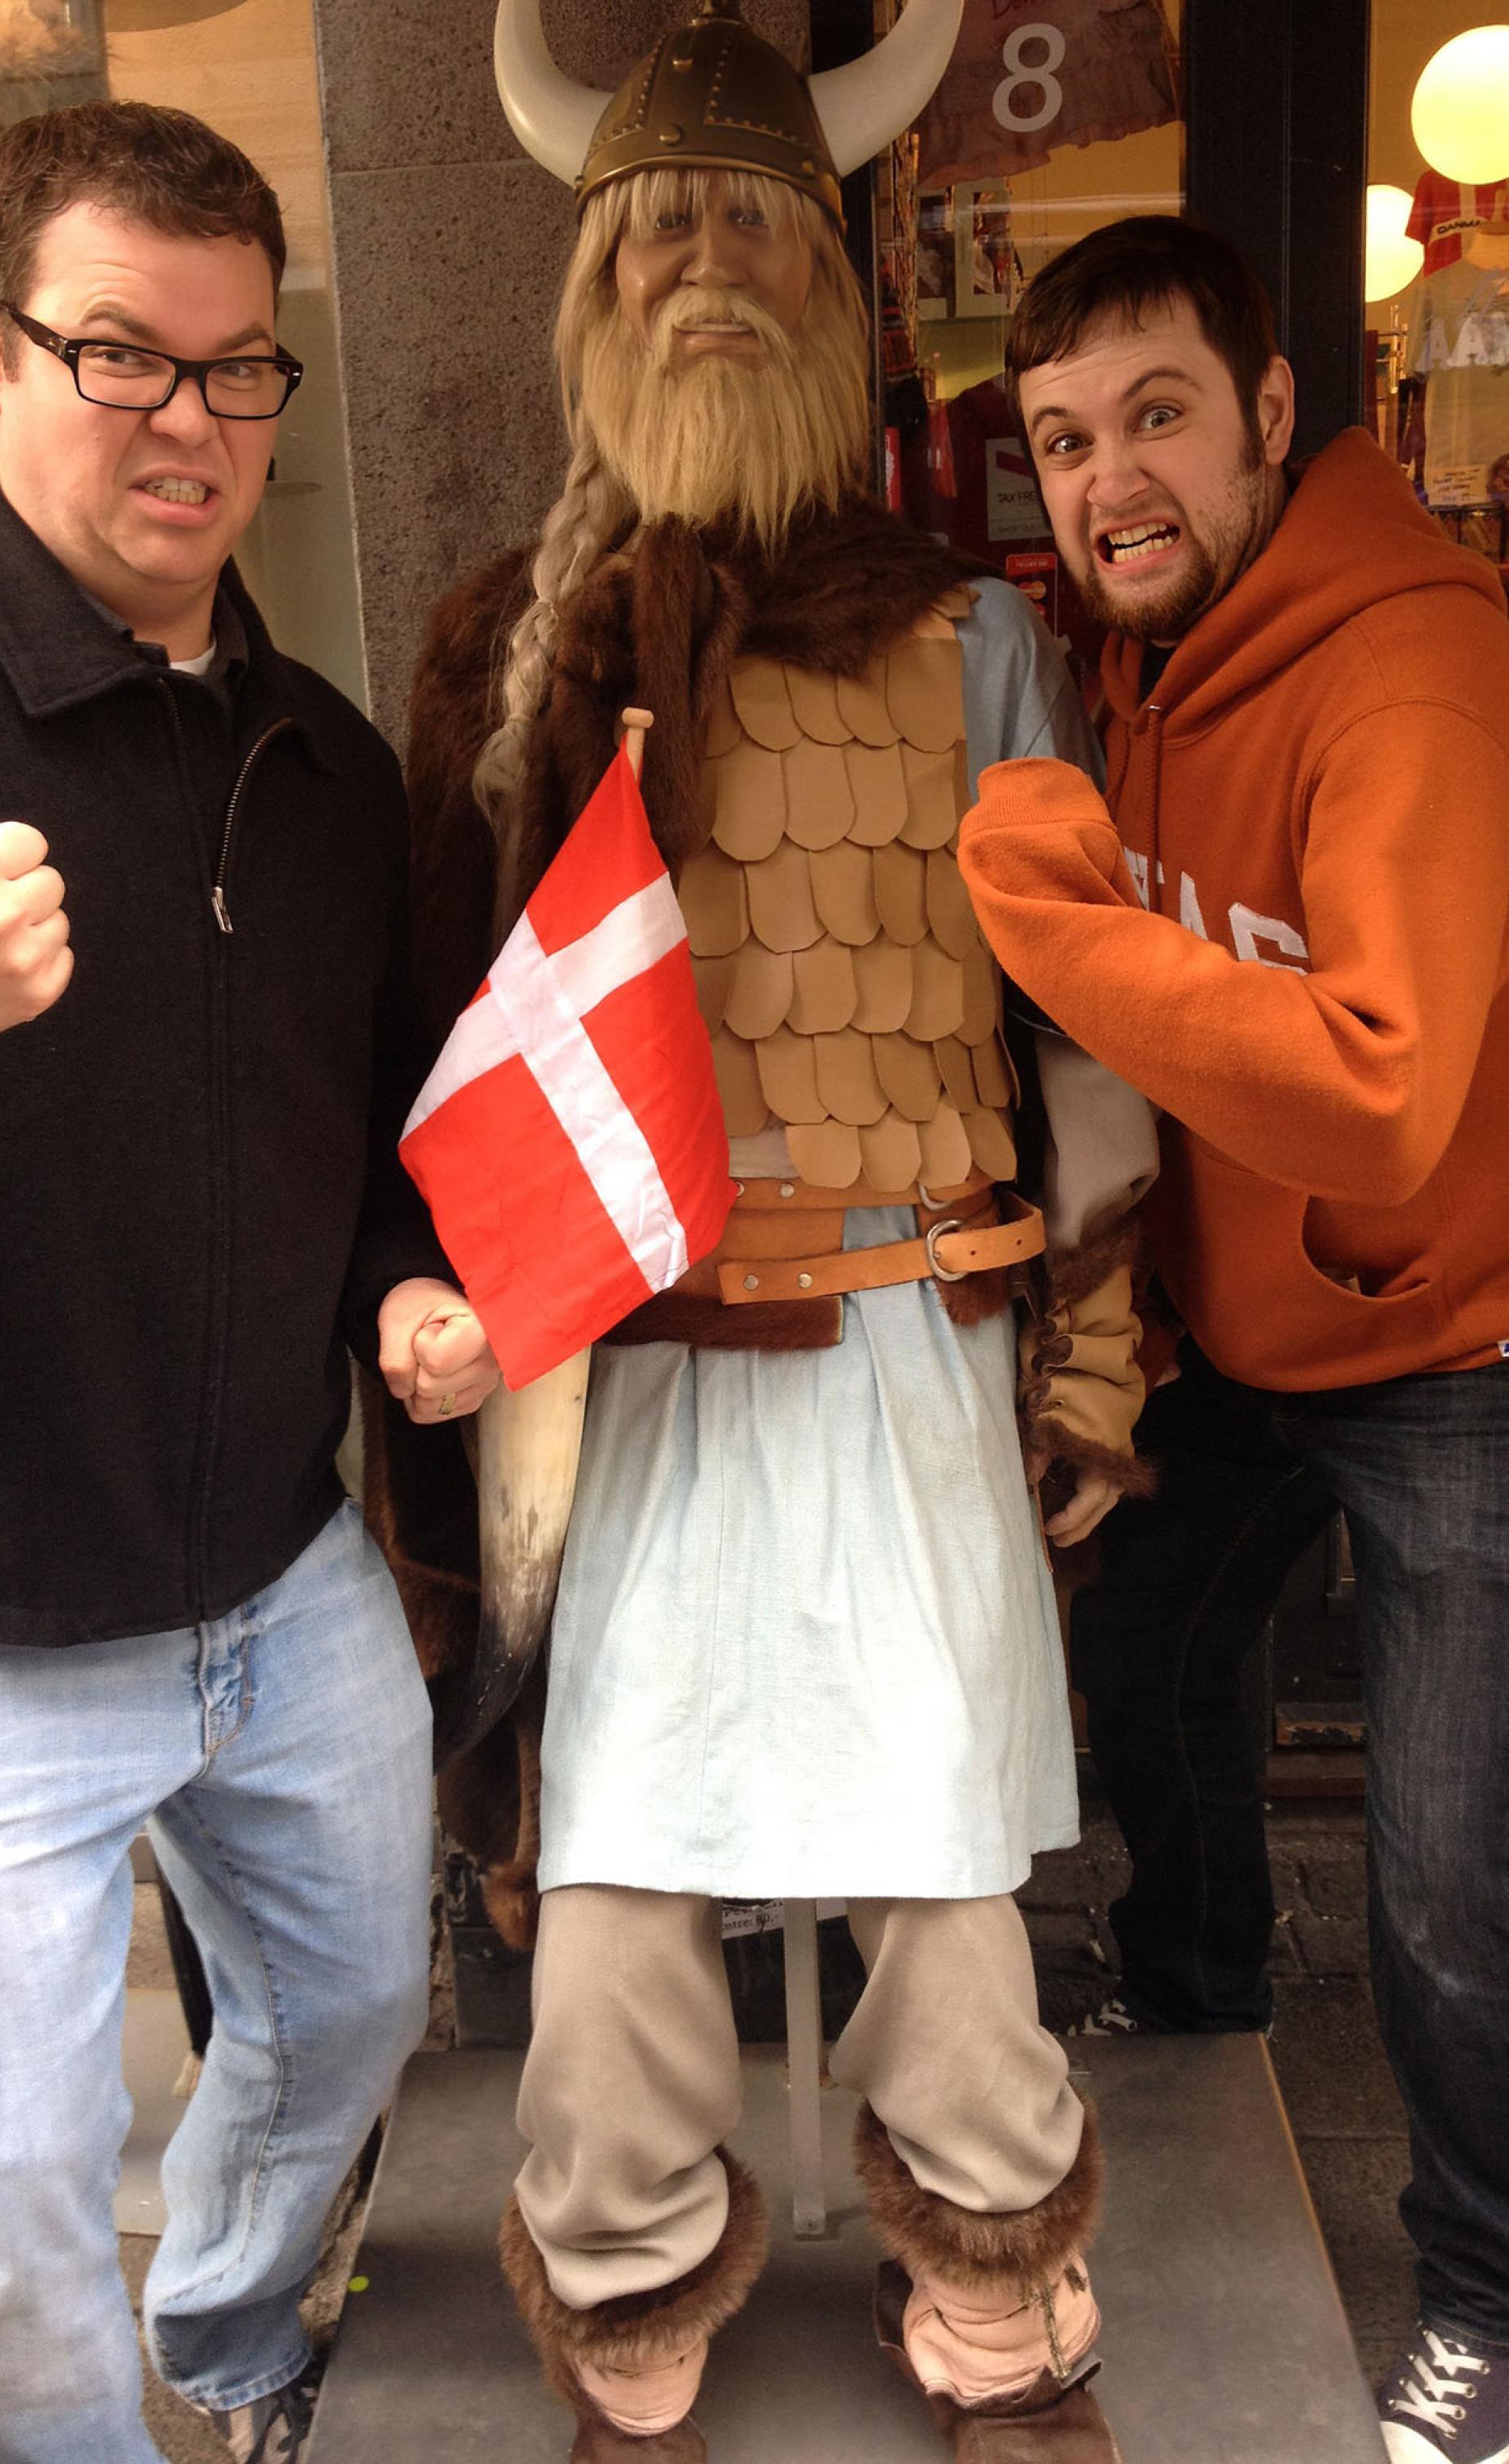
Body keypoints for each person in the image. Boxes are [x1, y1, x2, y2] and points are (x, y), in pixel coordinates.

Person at [369, 7, 1159, 2457]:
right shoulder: (511, 641)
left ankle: (1001, 2232)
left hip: (915, 1336)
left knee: (935, 1872)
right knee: (616, 1881)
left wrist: (1102, 1353)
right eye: (657, 230)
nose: (705, 265)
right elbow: (440, 1028)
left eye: (749, 225)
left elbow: (1089, 1033)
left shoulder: (977, 631)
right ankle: (622, 2245)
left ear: (832, 277)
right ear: (589, 280)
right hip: (635, 1367)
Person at [0, 99, 497, 2464]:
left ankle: (235, 2331)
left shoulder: (324, 766)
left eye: (243, 373)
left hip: (277, 1571)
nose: (196, 426)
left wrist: (405, 1289)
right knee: (17, 2215)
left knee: (347, 2019)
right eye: (126, 355)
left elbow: (370, 1140)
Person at [956, 215, 1509, 2464]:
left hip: (1456, 1344)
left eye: (1160, 415)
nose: (1112, 483)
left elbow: (1377, 1079)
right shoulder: (1142, 662)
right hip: (1245, 1339)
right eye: (1068, 441)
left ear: (1281, 413)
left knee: (1455, 1877)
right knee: (1141, 1647)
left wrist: (1051, 910)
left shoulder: (1413, 667)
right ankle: (1194, 1997)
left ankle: (1485, 2290)